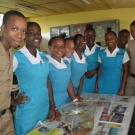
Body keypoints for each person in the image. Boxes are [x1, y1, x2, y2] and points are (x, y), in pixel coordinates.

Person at [13, 22, 55, 134]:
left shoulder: (43, 56)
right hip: (28, 109)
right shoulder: (16, 57)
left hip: (44, 106)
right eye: (31, 33)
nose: (36, 36)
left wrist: (53, 107)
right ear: (24, 36)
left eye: (38, 33)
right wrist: (11, 101)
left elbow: (47, 82)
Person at [0, 10, 27, 135]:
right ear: (3, 28)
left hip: (6, 117)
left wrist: (12, 101)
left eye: (23, 31)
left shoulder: (10, 53)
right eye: (15, 29)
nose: (20, 36)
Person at [46, 36, 77, 117]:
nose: (60, 49)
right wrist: (53, 108)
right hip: (51, 104)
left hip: (64, 102)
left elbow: (68, 82)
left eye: (62, 46)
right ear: (50, 47)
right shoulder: (46, 64)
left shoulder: (66, 62)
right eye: (56, 46)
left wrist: (75, 100)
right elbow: (46, 87)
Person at [81, 24, 100, 93]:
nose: (90, 37)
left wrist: (94, 71)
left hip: (95, 78)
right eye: (87, 35)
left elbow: (103, 66)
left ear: (95, 36)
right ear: (84, 37)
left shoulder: (100, 50)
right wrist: (85, 71)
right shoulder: (80, 49)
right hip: (83, 78)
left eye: (92, 35)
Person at [70, 34, 87, 99]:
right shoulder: (70, 56)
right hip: (68, 90)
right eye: (78, 41)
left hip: (76, 90)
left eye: (83, 41)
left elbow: (81, 77)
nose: (80, 43)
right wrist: (74, 96)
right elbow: (67, 78)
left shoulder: (84, 58)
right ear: (74, 42)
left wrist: (78, 93)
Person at [125, 21, 135, 96]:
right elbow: (127, 62)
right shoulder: (129, 44)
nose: (133, 34)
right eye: (131, 31)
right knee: (128, 102)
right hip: (131, 79)